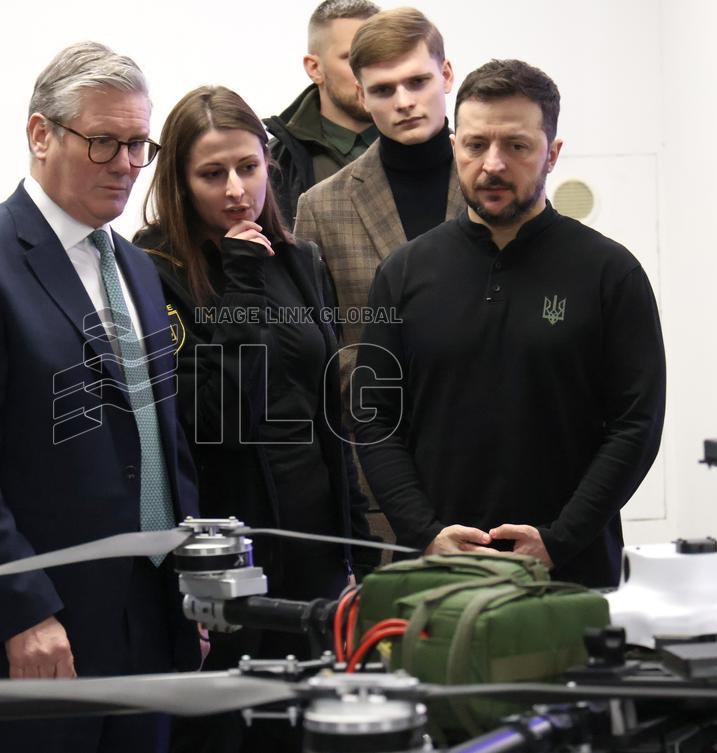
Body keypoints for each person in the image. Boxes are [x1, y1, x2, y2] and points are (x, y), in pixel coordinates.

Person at [0, 42, 200, 753]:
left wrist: (191, 579)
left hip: (149, 614)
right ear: (41, 134)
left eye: (138, 144)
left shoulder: (133, 263)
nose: (127, 164)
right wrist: (22, 613)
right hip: (40, 629)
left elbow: (159, 437)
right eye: (105, 142)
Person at [352, 59, 665, 588]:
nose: (492, 164)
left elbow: (636, 425)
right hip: (435, 574)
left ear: (552, 153)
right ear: (456, 147)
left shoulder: (610, 273)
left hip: (570, 574)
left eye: (516, 146)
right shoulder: (404, 272)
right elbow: (373, 419)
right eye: (475, 145)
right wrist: (425, 533)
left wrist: (559, 538)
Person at [135, 84, 369, 753]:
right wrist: (236, 278)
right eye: (212, 173)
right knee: (226, 732)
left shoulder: (296, 258)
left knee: (310, 723)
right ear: (179, 180)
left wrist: (350, 547)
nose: (236, 189)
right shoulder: (153, 268)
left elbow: (332, 414)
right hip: (228, 544)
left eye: (249, 166)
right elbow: (217, 413)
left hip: (314, 535)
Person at [293, 6, 465, 550]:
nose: (405, 101)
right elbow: (328, 351)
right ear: (363, 97)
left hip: (502, 458)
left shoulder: (498, 179)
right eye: (384, 89)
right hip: (385, 479)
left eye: (417, 81)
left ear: (446, 76)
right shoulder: (321, 207)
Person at [265, 0, 380, 225]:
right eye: (353, 58)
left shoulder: (441, 146)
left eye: (377, 55)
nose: (370, 70)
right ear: (314, 68)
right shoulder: (276, 164)